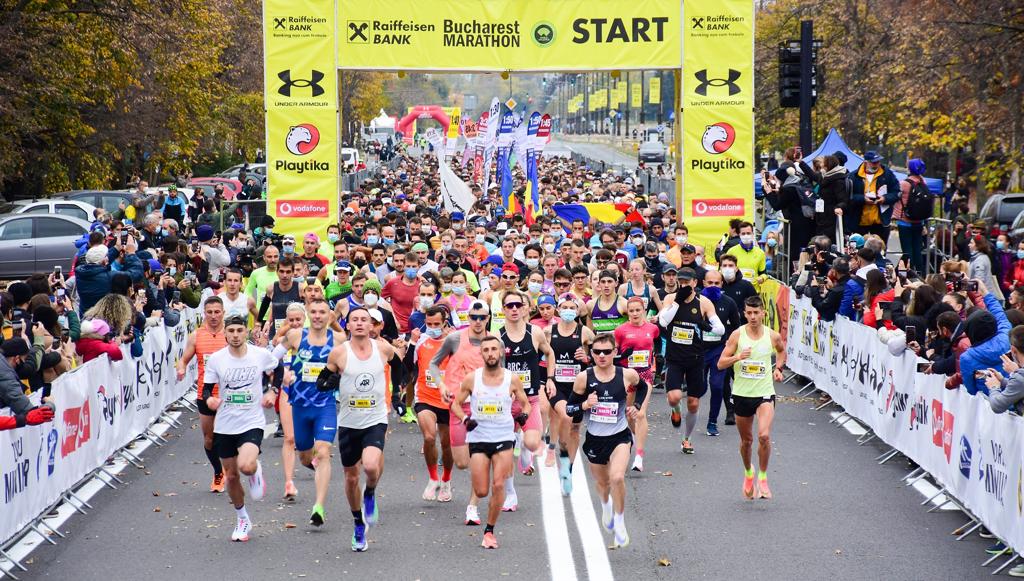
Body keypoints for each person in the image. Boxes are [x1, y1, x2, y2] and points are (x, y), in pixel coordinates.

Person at [319, 307, 397, 551]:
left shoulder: (383, 348)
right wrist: (331, 382)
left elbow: (401, 366)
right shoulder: (338, 353)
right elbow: (321, 383)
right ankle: (357, 523)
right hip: (349, 422)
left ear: (371, 325)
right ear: (348, 325)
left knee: (372, 465)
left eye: (365, 320)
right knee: (352, 477)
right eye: (355, 320)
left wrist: (399, 393)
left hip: (375, 417)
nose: (361, 323)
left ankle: (371, 492)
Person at [202, 313, 279, 542]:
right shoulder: (217, 359)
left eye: (239, 331)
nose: (235, 336)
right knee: (232, 476)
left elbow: (278, 369)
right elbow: (206, 389)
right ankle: (242, 518)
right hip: (225, 424)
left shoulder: (260, 355)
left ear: (246, 332)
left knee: (245, 466)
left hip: (252, 421)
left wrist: (271, 390)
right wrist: (209, 400)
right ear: (225, 334)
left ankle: (255, 471)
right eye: (231, 332)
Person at [565, 333, 646, 549]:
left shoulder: (626, 374)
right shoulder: (584, 377)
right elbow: (569, 409)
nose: (602, 356)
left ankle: (619, 521)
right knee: (603, 484)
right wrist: (584, 405)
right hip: (595, 439)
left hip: (619, 436)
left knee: (617, 477)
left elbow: (644, 386)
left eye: (607, 352)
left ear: (615, 352)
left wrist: (636, 406)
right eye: (597, 352)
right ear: (591, 354)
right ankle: (606, 506)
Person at [451, 336, 531, 549]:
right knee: (482, 491)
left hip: (504, 437)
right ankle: (483, 511)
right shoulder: (472, 379)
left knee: (498, 484)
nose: (490, 353)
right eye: (486, 350)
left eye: (494, 349)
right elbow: (456, 404)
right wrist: (465, 419)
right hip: (478, 438)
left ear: (501, 352)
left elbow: (526, 403)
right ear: (482, 354)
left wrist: (523, 416)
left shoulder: (511, 379)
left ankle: (489, 531)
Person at [274, 299, 336, 525]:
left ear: (329, 315)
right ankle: (313, 465)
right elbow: (273, 358)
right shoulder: (295, 336)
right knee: (305, 456)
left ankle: (318, 507)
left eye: (322, 312)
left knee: (323, 451)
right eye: (314, 312)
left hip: (324, 406)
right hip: (300, 405)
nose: (318, 316)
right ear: (309, 315)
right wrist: (285, 375)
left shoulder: (337, 339)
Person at [717, 296, 787, 499]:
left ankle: (763, 478)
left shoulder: (772, 336)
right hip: (741, 394)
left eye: (757, 313)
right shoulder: (737, 336)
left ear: (763, 313)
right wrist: (738, 357)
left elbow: (781, 352)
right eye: (749, 313)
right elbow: (721, 364)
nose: (753, 316)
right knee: (746, 441)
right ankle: (749, 472)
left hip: (764, 393)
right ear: (744, 313)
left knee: (764, 436)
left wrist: (778, 368)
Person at [431, 300, 492, 525]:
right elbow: (434, 365)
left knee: (479, 457)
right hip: (458, 407)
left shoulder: (493, 342)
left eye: (482, 317)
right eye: (473, 317)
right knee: (462, 462)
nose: (477, 321)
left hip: (485, 408)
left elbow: (501, 372)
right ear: (468, 318)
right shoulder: (455, 338)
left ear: (487, 319)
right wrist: (441, 385)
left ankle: (472, 507)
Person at [657, 267, 724, 454]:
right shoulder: (671, 299)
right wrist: (677, 302)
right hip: (675, 357)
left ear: (695, 283)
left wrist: (706, 325)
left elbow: (720, 330)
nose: (684, 285)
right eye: (681, 282)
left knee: (693, 403)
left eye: (687, 282)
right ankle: (675, 410)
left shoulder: (704, 303)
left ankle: (686, 439)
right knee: (674, 397)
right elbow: (663, 321)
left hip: (695, 358)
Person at [499, 289, 554, 499]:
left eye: (518, 305)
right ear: (503, 309)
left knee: (532, 443)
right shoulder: (498, 336)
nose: (514, 309)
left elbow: (550, 353)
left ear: (525, 309)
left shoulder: (535, 333)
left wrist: (549, 379)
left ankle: (523, 447)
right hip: (506, 401)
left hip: (529, 399)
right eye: (509, 306)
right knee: (504, 451)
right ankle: (510, 493)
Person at [176, 297, 227, 493]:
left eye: (217, 312)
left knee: (232, 436)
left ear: (223, 312)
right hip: (205, 394)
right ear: (204, 313)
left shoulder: (230, 334)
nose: (213, 316)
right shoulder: (196, 336)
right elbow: (183, 360)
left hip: (229, 395)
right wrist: (181, 369)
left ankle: (234, 469)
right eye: (209, 312)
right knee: (209, 439)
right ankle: (218, 472)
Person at [545, 294, 594, 494]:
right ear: (558, 309)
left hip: (578, 387)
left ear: (577, 310)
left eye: (571, 307)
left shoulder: (585, 333)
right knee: (566, 415)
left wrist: (587, 357)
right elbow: (543, 357)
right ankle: (561, 452)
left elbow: (600, 358)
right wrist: (546, 379)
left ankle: (568, 468)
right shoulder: (549, 332)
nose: (568, 310)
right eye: (564, 306)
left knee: (574, 428)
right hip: (557, 386)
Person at [412, 306, 455, 502]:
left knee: (447, 444)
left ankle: (446, 481)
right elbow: (409, 367)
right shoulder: (421, 340)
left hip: (447, 398)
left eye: (437, 324)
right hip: (425, 396)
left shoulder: (454, 341)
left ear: (445, 322)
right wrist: (410, 344)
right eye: (429, 324)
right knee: (429, 437)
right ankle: (432, 478)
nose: (432, 328)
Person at [613, 297, 659, 471]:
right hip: (627, 376)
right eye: (631, 311)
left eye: (637, 310)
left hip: (645, 375)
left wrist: (654, 365)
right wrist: (624, 355)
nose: (634, 314)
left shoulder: (652, 329)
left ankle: (639, 456)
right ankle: (633, 435)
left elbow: (654, 348)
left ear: (643, 310)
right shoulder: (621, 330)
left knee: (640, 414)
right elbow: (614, 354)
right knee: (628, 414)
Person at [848, 151, 900, 239]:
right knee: (859, 250)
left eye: (878, 162)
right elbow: (848, 196)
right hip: (860, 221)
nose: (876, 164)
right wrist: (863, 199)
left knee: (880, 250)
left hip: (880, 222)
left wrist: (885, 198)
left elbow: (897, 193)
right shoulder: (853, 176)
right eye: (873, 162)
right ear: (865, 162)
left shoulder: (887, 174)